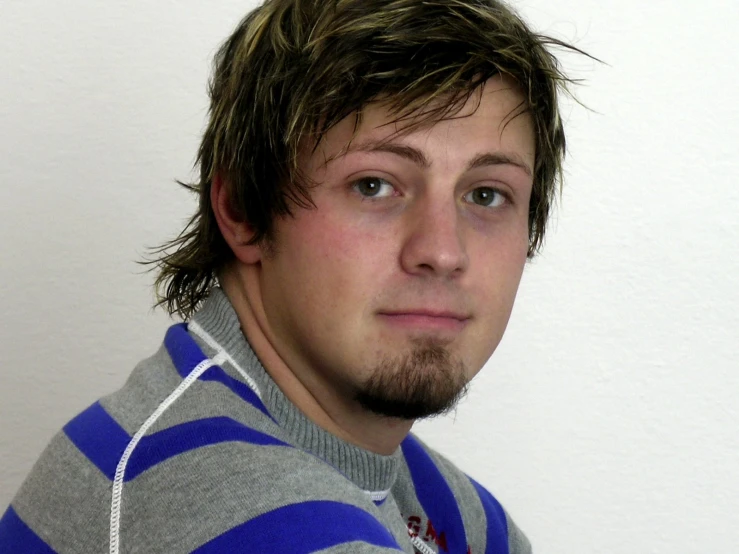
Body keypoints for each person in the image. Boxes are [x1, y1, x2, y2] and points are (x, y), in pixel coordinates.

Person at [0, 0, 586, 552]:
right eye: (373, 185)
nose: (442, 250)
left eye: (486, 195)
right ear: (244, 211)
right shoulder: (243, 509)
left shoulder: (443, 507)